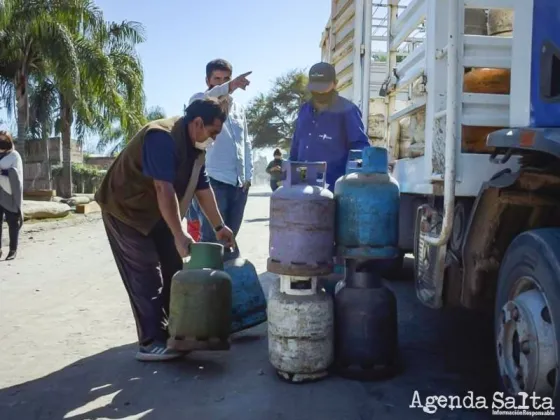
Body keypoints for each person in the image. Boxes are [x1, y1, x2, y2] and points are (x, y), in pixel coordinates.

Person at [94, 98, 235, 362]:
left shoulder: (195, 148)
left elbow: (202, 188)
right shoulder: (161, 137)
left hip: (156, 211)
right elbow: (163, 188)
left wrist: (219, 226)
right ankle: (150, 341)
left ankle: (177, 330)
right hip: (126, 210)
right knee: (146, 274)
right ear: (197, 123)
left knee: (173, 267)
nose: (213, 140)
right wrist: (179, 234)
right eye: (212, 132)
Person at [190, 59, 253, 261]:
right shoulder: (199, 101)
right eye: (217, 79)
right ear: (207, 80)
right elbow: (209, 96)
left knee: (230, 239)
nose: (222, 83)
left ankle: (225, 286)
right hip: (213, 182)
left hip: (238, 184)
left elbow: (245, 143)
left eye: (226, 79)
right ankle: (205, 288)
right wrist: (230, 86)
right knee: (210, 241)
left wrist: (248, 176)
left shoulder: (238, 109)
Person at [290, 62, 370, 192]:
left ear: (335, 83)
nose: (320, 91)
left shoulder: (348, 110)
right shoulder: (304, 111)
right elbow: (295, 147)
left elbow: (360, 147)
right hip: (302, 188)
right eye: (316, 87)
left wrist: (351, 182)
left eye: (323, 86)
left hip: (334, 190)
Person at [0, 130, 23, 261]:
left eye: (4, 140)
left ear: (9, 141)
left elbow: (17, 174)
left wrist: (3, 172)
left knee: (12, 222)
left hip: (9, 193)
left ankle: (13, 250)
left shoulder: (14, 155)